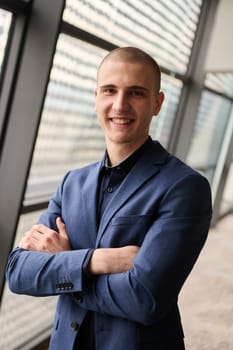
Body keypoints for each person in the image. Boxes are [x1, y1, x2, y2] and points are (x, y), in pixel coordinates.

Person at [6, 47, 212, 350]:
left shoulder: (185, 187)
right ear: (96, 98)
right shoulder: (71, 183)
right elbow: (18, 272)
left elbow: (145, 298)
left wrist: (64, 264)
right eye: (110, 90)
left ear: (157, 103)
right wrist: (95, 261)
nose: (120, 104)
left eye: (136, 93)